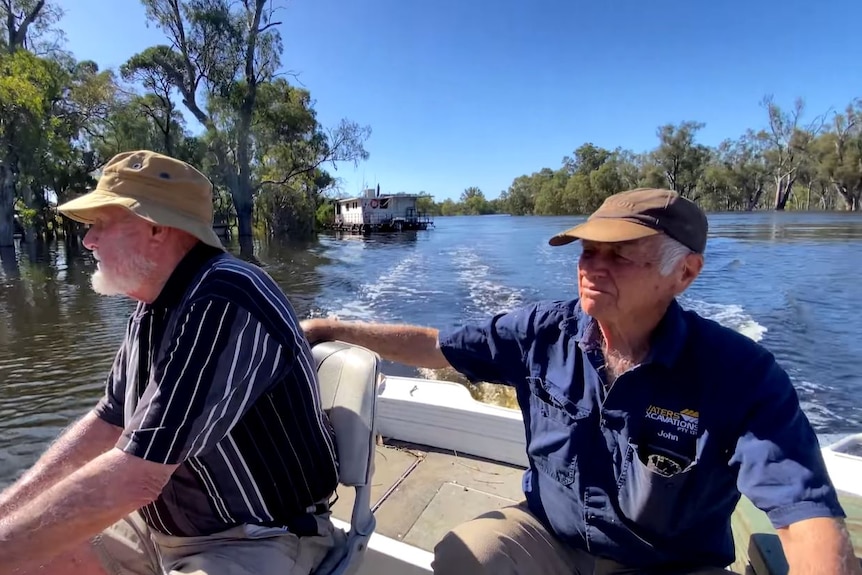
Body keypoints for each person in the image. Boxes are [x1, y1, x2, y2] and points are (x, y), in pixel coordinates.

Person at [301, 188, 861, 575]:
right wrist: (327, 327)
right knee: (461, 559)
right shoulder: (544, 332)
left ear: (684, 273)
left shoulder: (741, 377)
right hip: (551, 536)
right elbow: (436, 345)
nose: (593, 267)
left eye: (619, 255)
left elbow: (805, 517)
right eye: (588, 251)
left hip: (670, 563)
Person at [0, 150, 340, 575]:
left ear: (157, 228)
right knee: (31, 548)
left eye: (101, 223)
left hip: (258, 537)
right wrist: (8, 511)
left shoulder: (224, 297)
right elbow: (108, 422)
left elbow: (137, 476)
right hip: (159, 530)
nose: (88, 240)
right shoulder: (153, 303)